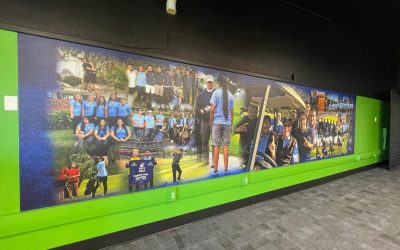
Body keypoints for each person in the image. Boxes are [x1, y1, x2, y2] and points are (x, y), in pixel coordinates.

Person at [210, 76, 234, 173]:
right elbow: (232, 112)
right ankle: (226, 168)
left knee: (216, 146)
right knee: (225, 146)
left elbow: (212, 110)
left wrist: (211, 122)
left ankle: (215, 169)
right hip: (227, 123)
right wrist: (231, 123)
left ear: (219, 83)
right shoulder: (231, 95)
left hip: (217, 123)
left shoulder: (215, 93)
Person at [194, 76, 215, 162]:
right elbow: (197, 105)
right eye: (208, 82)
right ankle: (205, 160)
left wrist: (212, 108)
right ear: (206, 83)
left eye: (211, 82)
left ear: (213, 83)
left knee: (214, 142)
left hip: (214, 121)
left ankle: (215, 161)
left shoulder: (217, 93)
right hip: (204, 121)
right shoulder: (201, 94)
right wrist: (200, 110)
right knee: (204, 140)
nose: (209, 84)